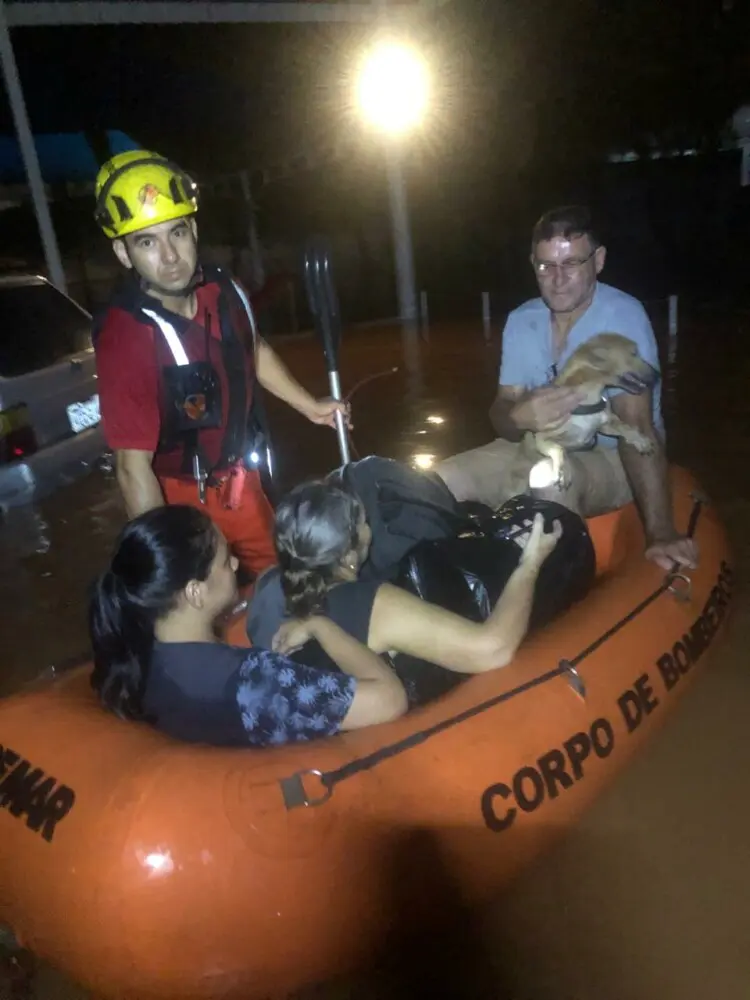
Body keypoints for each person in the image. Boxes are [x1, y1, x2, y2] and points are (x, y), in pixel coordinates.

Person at [92, 149, 347, 579]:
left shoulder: (224, 289)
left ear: (192, 229)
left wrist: (310, 406)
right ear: (123, 253)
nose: (169, 256)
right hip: (176, 495)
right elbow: (131, 467)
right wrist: (171, 556)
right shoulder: (126, 338)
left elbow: (253, 348)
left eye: (177, 233)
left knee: (279, 581)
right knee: (200, 596)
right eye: (147, 242)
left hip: (238, 481)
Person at [436, 205, 698, 573]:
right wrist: (518, 415)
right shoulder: (521, 320)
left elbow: (636, 427)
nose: (557, 279)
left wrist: (661, 532)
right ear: (533, 263)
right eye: (546, 266)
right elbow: (501, 416)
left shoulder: (622, 318)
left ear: (599, 260)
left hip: (611, 456)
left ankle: (565, 601)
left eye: (571, 263)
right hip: (535, 445)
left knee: (550, 480)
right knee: (439, 481)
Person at [88, 505, 407, 747]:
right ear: (195, 592)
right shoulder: (251, 681)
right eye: (226, 562)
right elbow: (390, 701)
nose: (237, 565)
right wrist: (321, 626)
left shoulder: (135, 655)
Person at [261, 481, 562, 681]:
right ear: (349, 554)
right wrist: (530, 563)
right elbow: (492, 650)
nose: (370, 529)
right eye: (364, 522)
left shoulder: (291, 604)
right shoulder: (372, 604)